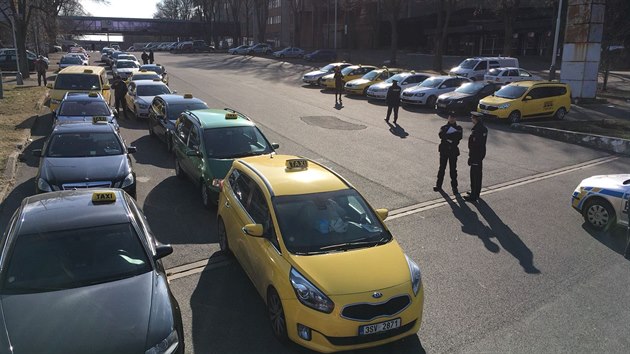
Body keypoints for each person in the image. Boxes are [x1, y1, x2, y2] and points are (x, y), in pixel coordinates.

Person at [434, 115, 463, 194]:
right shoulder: (443, 127)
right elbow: (441, 135)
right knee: (441, 168)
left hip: (453, 151)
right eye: (450, 117)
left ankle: (454, 187)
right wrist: (451, 136)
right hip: (444, 150)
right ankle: (438, 185)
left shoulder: (459, 128)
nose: (452, 119)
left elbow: (458, 137)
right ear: (448, 118)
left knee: (453, 170)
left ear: (456, 118)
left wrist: (447, 137)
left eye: (453, 117)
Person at [464, 112, 488, 202]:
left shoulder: (478, 130)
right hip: (479, 155)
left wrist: (471, 157)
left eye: (472, 117)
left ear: (476, 119)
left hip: (476, 155)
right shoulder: (482, 128)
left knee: (475, 175)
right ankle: (475, 192)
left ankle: (474, 196)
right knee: (477, 174)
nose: (471, 119)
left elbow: (475, 145)